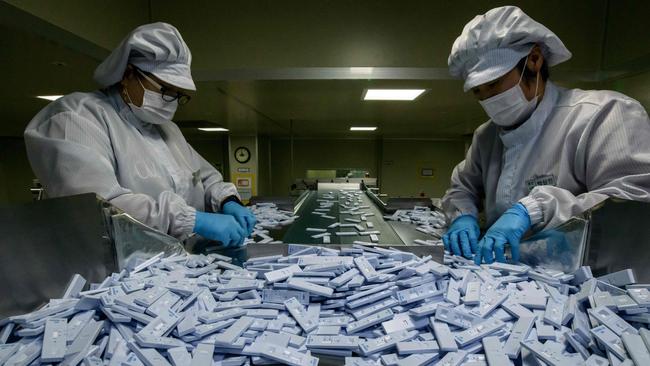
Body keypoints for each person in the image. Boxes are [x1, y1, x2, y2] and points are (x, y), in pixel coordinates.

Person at [441, 6, 650, 264]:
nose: (488, 99)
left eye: (495, 84)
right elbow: (462, 187)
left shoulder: (604, 115)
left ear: (534, 59)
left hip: (591, 279)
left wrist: (535, 209)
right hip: (506, 279)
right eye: (478, 92)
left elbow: (633, 204)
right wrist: (463, 215)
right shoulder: (486, 137)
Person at [24, 23, 256, 247]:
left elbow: (204, 178)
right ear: (129, 74)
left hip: (172, 267)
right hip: (110, 273)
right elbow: (96, 207)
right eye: (165, 90)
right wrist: (194, 220)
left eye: (179, 95)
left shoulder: (166, 129)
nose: (172, 102)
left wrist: (228, 200)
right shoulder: (75, 118)